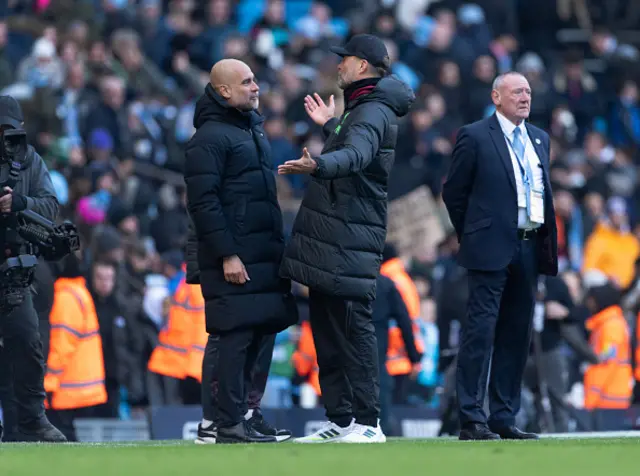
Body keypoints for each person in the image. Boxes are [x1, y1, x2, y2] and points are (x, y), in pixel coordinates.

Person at [278, 34, 415, 443]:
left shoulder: (372, 111)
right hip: (336, 237)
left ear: (362, 66)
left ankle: (368, 423)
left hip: (349, 238)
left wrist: (318, 163)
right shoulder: (362, 110)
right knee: (327, 330)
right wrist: (332, 126)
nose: (338, 66)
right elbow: (357, 147)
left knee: (353, 329)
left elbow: (356, 157)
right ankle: (340, 419)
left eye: (345, 59)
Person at [183, 59, 298, 444]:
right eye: (246, 82)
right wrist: (227, 254)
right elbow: (204, 203)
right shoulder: (210, 138)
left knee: (260, 331)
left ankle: (245, 415)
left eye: (255, 80)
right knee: (233, 337)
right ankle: (224, 422)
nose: (256, 87)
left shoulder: (251, 131)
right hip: (235, 257)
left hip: (261, 253)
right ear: (224, 91)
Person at [442, 72, 558, 440]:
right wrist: (474, 233)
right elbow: (454, 193)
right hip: (489, 247)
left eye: (528, 91)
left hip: (529, 245)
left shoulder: (540, 138)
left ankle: (504, 416)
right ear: (496, 97)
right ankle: (472, 418)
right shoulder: (474, 135)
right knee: (480, 332)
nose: (525, 97)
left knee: (517, 333)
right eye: (516, 91)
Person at [0, 95, 66, 442]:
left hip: (14, 269)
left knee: (27, 342)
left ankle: (32, 420)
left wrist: (20, 203)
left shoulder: (30, 161)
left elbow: (51, 208)